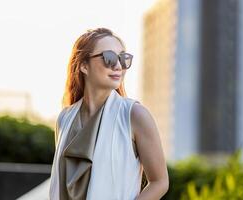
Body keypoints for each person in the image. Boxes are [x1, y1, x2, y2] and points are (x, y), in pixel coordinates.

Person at [49, 27, 169, 200]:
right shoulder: (64, 119)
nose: (118, 66)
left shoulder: (135, 115)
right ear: (84, 65)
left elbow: (160, 182)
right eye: (109, 58)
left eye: (123, 58)